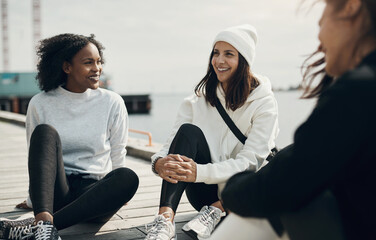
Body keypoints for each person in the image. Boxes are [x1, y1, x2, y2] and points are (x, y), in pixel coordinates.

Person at [211, 0, 376, 239]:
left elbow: (284, 186)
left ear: (351, 7)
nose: (319, 41)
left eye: (321, 24)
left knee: (270, 207)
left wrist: (230, 190)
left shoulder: (360, 89)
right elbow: (307, 158)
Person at [144, 24, 279, 240]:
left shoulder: (264, 103)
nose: (219, 61)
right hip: (202, 193)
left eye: (229, 54)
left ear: (243, 60)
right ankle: (165, 221)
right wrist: (158, 162)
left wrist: (200, 171)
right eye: (215, 53)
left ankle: (218, 210)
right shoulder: (197, 99)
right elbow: (172, 143)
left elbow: (251, 160)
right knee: (188, 131)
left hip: (239, 195)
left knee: (287, 156)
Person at [0, 33, 139, 240]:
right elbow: (37, 155)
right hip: (56, 193)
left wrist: (116, 194)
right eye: (88, 62)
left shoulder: (112, 102)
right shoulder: (41, 103)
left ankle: (40, 227)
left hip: (94, 194)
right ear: (67, 67)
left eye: (99, 62)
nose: (97, 68)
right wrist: (34, 199)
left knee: (127, 177)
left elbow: (118, 151)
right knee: (44, 133)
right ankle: (44, 222)